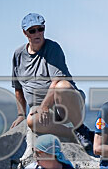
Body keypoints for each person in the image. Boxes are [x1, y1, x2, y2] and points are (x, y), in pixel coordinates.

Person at [11, 12, 94, 153]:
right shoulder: (18, 55)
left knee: (63, 86)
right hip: (43, 111)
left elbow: (57, 81)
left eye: (40, 29)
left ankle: (81, 129)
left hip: (65, 104)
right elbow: (18, 88)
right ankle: (72, 133)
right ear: (25, 33)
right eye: (32, 31)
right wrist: (20, 115)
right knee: (32, 121)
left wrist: (44, 106)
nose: (37, 33)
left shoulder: (52, 48)